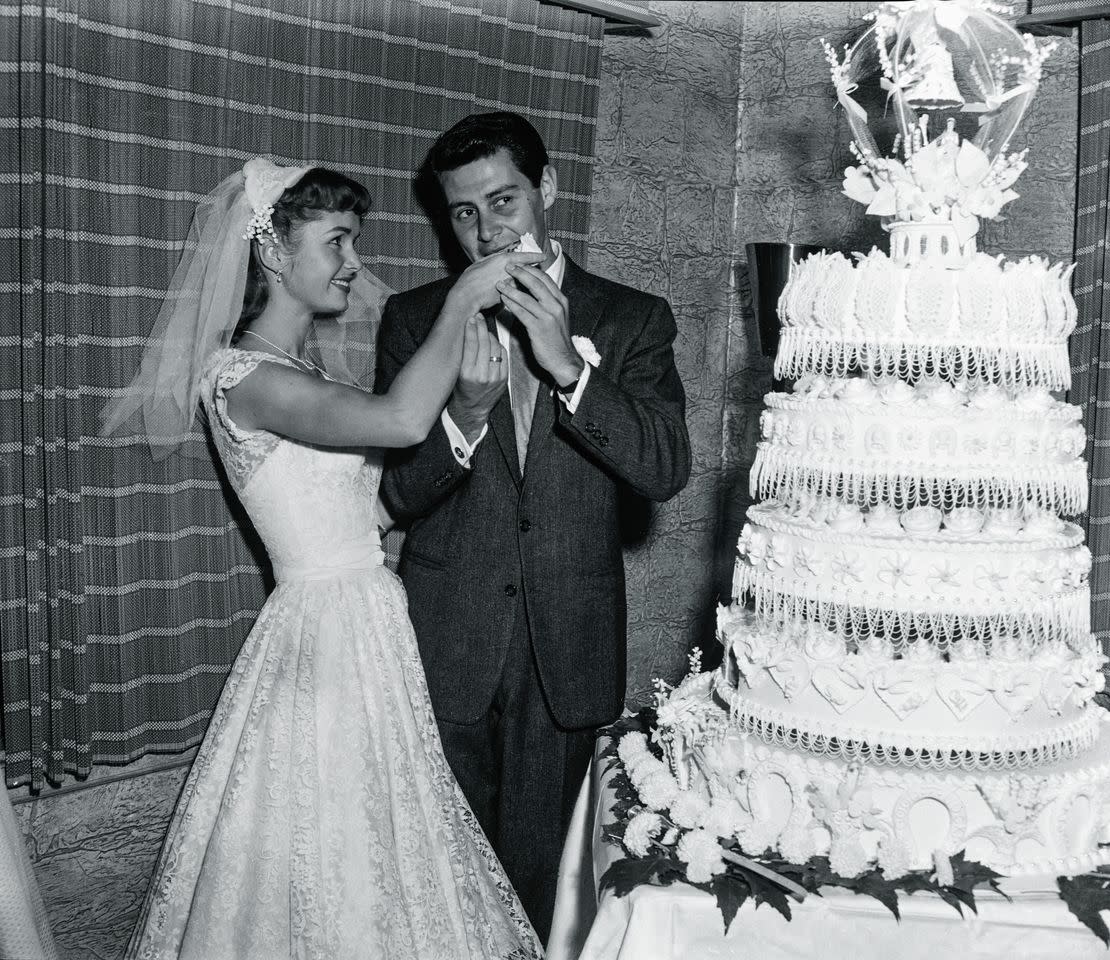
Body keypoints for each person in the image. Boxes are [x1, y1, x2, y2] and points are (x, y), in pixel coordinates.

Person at [101, 158, 544, 960]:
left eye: (355, 241)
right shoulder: (241, 377)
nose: (353, 261)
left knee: (381, 839)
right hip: (323, 640)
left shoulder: (305, 374)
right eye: (337, 240)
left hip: (372, 623)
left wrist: (470, 417)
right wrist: (463, 296)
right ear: (274, 253)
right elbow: (403, 420)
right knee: (326, 842)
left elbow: (365, 510)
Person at [376, 111, 691, 942]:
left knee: (547, 885)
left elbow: (663, 468)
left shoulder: (631, 318)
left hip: (569, 645)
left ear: (547, 189)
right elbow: (399, 495)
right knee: (442, 885)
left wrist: (568, 371)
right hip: (449, 641)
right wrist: (465, 419)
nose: (487, 230)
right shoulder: (415, 320)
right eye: (464, 212)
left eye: (504, 200)